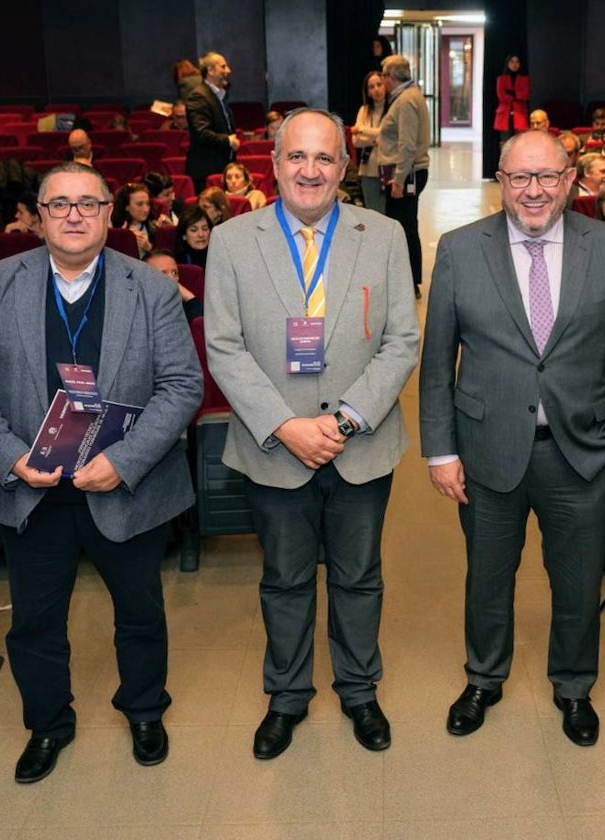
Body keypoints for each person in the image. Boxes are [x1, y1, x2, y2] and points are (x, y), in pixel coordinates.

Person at [0, 161, 202, 784]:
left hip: (123, 484)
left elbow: (182, 385)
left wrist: (125, 461)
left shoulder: (152, 288)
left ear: (111, 214)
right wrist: (11, 456)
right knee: (34, 621)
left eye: (89, 203)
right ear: (38, 217)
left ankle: (144, 711)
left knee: (140, 613)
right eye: (59, 204)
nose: (74, 215)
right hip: (32, 488)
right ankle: (48, 724)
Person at [204, 109, 420, 760]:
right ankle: (288, 696)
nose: (311, 170)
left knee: (359, 577)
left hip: (361, 443)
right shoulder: (233, 240)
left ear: (345, 168)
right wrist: (288, 426)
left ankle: (359, 690)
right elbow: (223, 346)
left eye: (325, 159)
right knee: (285, 579)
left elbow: (402, 340)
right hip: (275, 446)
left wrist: (346, 419)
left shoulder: (381, 236)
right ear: (273, 163)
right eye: (297, 157)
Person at [419, 129, 605, 747]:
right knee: (487, 577)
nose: (534, 190)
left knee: (576, 581)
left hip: (582, 451)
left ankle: (573, 686)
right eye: (520, 178)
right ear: (502, 181)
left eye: (548, 176)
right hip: (487, 450)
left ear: (572, 180)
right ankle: (484, 678)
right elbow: (438, 357)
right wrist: (441, 449)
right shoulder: (461, 250)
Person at [377, 54, 430, 297]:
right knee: (407, 226)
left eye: (384, 76)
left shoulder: (406, 100)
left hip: (407, 175)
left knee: (404, 228)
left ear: (391, 77)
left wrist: (398, 179)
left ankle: (409, 283)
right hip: (408, 172)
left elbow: (407, 144)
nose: (382, 81)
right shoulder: (407, 96)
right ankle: (408, 281)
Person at [181, 53, 239, 192]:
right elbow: (201, 133)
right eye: (223, 67)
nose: (228, 71)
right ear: (210, 71)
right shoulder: (199, 96)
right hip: (207, 171)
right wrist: (228, 141)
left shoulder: (218, 96)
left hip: (220, 168)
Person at [353, 71, 388, 213]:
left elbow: (389, 135)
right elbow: (356, 141)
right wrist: (377, 138)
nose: (376, 89)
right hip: (367, 169)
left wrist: (362, 129)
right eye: (371, 87)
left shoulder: (393, 109)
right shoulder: (364, 110)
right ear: (367, 92)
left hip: (388, 169)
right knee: (372, 214)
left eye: (379, 84)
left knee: (388, 215)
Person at [111, 182, 166, 258]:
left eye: (148, 204)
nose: (146, 209)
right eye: (139, 204)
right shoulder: (114, 229)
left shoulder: (154, 229)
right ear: (126, 206)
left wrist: (149, 248)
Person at [144, 248, 201, 321]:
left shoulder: (180, 305)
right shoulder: (140, 308)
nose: (171, 278)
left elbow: (198, 325)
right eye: (163, 273)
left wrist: (189, 297)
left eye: (174, 273)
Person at [494, 55, 530, 142]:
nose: (515, 64)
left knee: (520, 142)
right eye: (512, 62)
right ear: (508, 63)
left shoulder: (525, 79)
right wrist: (516, 95)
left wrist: (512, 93)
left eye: (517, 62)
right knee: (505, 142)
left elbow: (525, 95)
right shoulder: (501, 79)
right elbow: (501, 96)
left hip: (520, 114)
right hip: (504, 114)